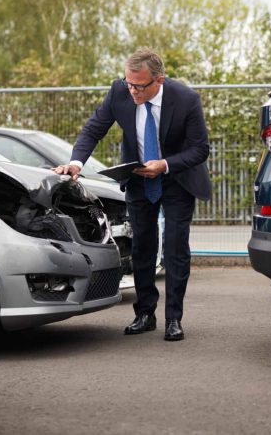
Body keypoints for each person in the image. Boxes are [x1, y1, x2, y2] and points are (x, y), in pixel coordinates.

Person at [54, 48, 211, 341]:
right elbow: (93, 130)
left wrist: (164, 164)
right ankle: (144, 313)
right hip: (139, 179)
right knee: (142, 246)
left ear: (159, 80)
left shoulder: (186, 99)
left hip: (177, 179)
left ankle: (173, 318)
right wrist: (76, 163)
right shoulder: (119, 92)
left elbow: (200, 149)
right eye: (129, 83)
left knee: (176, 248)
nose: (133, 91)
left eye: (140, 86)